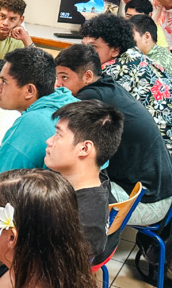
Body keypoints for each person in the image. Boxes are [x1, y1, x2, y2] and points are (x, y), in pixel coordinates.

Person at [54, 44, 172, 226]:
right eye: (57, 77)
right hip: (158, 190)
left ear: (88, 76)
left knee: (60, 190)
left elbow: (54, 118)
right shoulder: (106, 85)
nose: (58, 84)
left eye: (64, 77)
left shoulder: (90, 97)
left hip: (148, 202)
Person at [81, 14, 172, 155]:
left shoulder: (113, 72)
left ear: (115, 49)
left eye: (93, 47)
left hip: (167, 155)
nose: (87, 53)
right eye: (84, 46)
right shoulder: (135, 56)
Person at [0, 47, 77, 185]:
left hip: (53, 203)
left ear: (29, 90)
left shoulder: (32, 123)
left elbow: (0, 180)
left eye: (4, 82)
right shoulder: (69, 100)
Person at [45, 100, 121, 259]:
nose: (49, 141)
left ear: (84, 149)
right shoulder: (77, 184)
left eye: (58, 134)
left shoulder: (83, 221)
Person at [129, 14, 172, 99]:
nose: (127, 40)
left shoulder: (155, 63)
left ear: (146, 37)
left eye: (131, 36)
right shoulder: (161, 52)